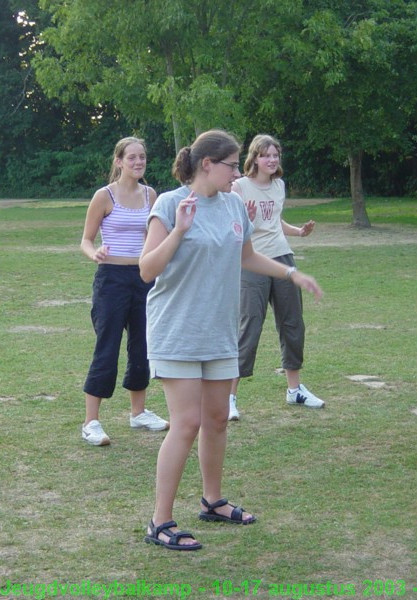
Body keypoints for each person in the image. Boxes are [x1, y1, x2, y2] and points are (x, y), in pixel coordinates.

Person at [139, 130, 323, 550]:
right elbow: (146, 269)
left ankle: (212, 501)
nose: (237, 172)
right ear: (208, 164)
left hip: (219, 331)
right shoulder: (169, 204)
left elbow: (247, 257)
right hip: (178, 331)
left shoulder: (234, 205)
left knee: (217, 420)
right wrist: (179, 231)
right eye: (231, 164)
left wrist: (292, 273)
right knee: (186, 424)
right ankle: (160, 521)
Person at [79, 137, 169, 445]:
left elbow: (154, 237)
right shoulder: (104, 196)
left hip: (143, 278)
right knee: (108, 345)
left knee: (143, 345)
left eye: (142, 157)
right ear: (119, 161)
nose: (138, 162)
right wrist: (96, 254)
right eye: (131, 158)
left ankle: (138, 412)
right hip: (111, 279)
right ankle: (91, 421)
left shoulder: (150, 195)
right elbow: (86, 240)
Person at [228, 134, 324, 421]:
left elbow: (275, 222)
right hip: (252, 262)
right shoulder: (238, 187)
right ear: (254, 158)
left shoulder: (279, 185)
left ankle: (294, 390)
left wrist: (298, 232)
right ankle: (229, 398)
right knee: (249, 327)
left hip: (282, 257)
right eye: (266, 155)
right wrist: (245, 217)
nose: (272, 160)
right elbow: (231, 225)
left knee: (292, 323)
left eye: (276, 155)